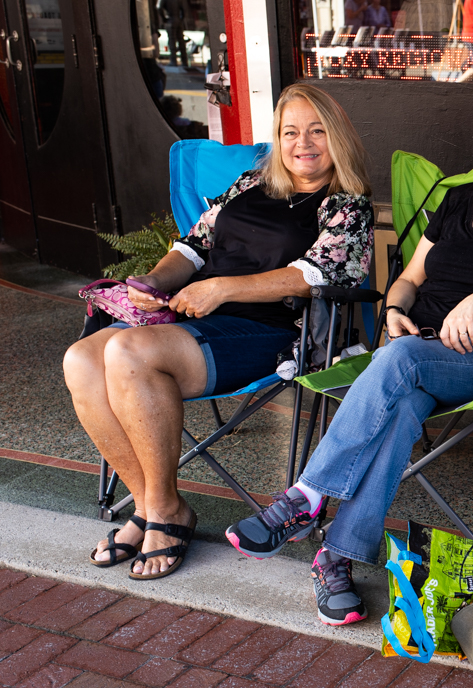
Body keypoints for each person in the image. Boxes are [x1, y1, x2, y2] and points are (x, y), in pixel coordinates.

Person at [226, 93, 473, 626]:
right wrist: (394, 309)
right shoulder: (458, 200)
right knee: (399, 409)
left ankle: (306, 494)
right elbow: (411, 278)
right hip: (416, 350)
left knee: (401, 361)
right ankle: (337, 558)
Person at [64, 84, 373, 580]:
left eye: (317, 131)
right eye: (290, 132)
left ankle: (166, 513)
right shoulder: (252, 183)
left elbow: (315, 276)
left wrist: (222, 289)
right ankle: (149, 506)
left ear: (337, 137)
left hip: (271, 330)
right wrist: (153, 282)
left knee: (127, 351)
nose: (303, 143)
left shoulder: (346, 205)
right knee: (80, 359)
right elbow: (193, 246)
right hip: (196, 316)